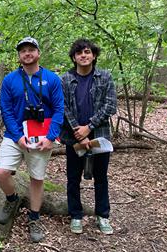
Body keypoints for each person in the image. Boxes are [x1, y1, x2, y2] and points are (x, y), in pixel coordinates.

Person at [0, 37, 64, 243]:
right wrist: (17, 136)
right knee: (1, 172)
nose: (27, 53)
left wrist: (51, 137)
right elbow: (6, 110)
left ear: (38, 53)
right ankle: (11, 199)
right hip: (15, 134)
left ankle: (34, 217)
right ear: (19, 55)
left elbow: (60, 109)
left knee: (37, 178)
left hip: (42, 136)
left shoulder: (52, 79)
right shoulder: (10, 80)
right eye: (23, 51)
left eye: (31, 50)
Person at [59, 39, 117, 235]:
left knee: (101, 177)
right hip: (73, 137)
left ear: (93, 55)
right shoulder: (65, 79)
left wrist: (89, 127)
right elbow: (63, 107)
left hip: (99, 136)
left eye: (87, 52)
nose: (83, 56)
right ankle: (76, 215)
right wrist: (78, 131)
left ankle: (103, 216)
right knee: (73, 178)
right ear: (74, 57)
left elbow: (110, 105)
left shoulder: (105, 77)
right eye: (79, 53)